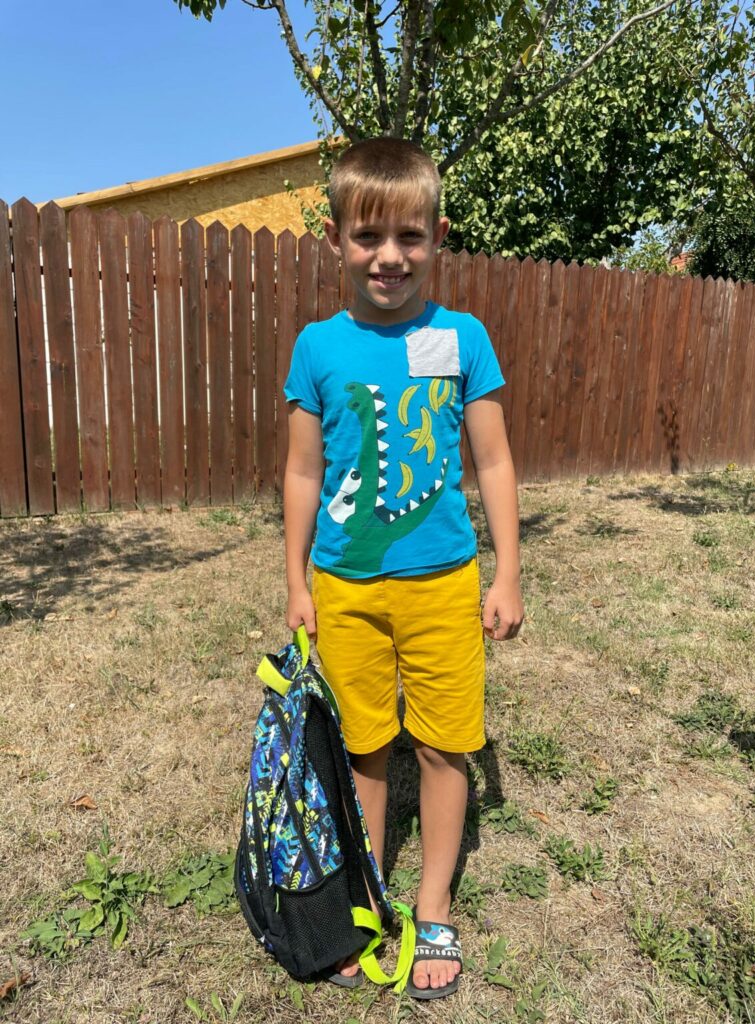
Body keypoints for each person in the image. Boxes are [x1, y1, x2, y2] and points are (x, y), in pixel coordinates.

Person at [282, 136, 524, 1000]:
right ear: (336, 239)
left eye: (410, 236)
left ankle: (435, 905)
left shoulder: (463, 338)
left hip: (443, 585)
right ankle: (369, 898)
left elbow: (493, 460)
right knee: (364, 748)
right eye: (368, 236)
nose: (390, 256)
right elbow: (302, 472)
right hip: (345, 590)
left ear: (438, 237)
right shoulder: (317, 347)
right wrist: (296, 582)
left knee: (444, 743)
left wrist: (507, 572)